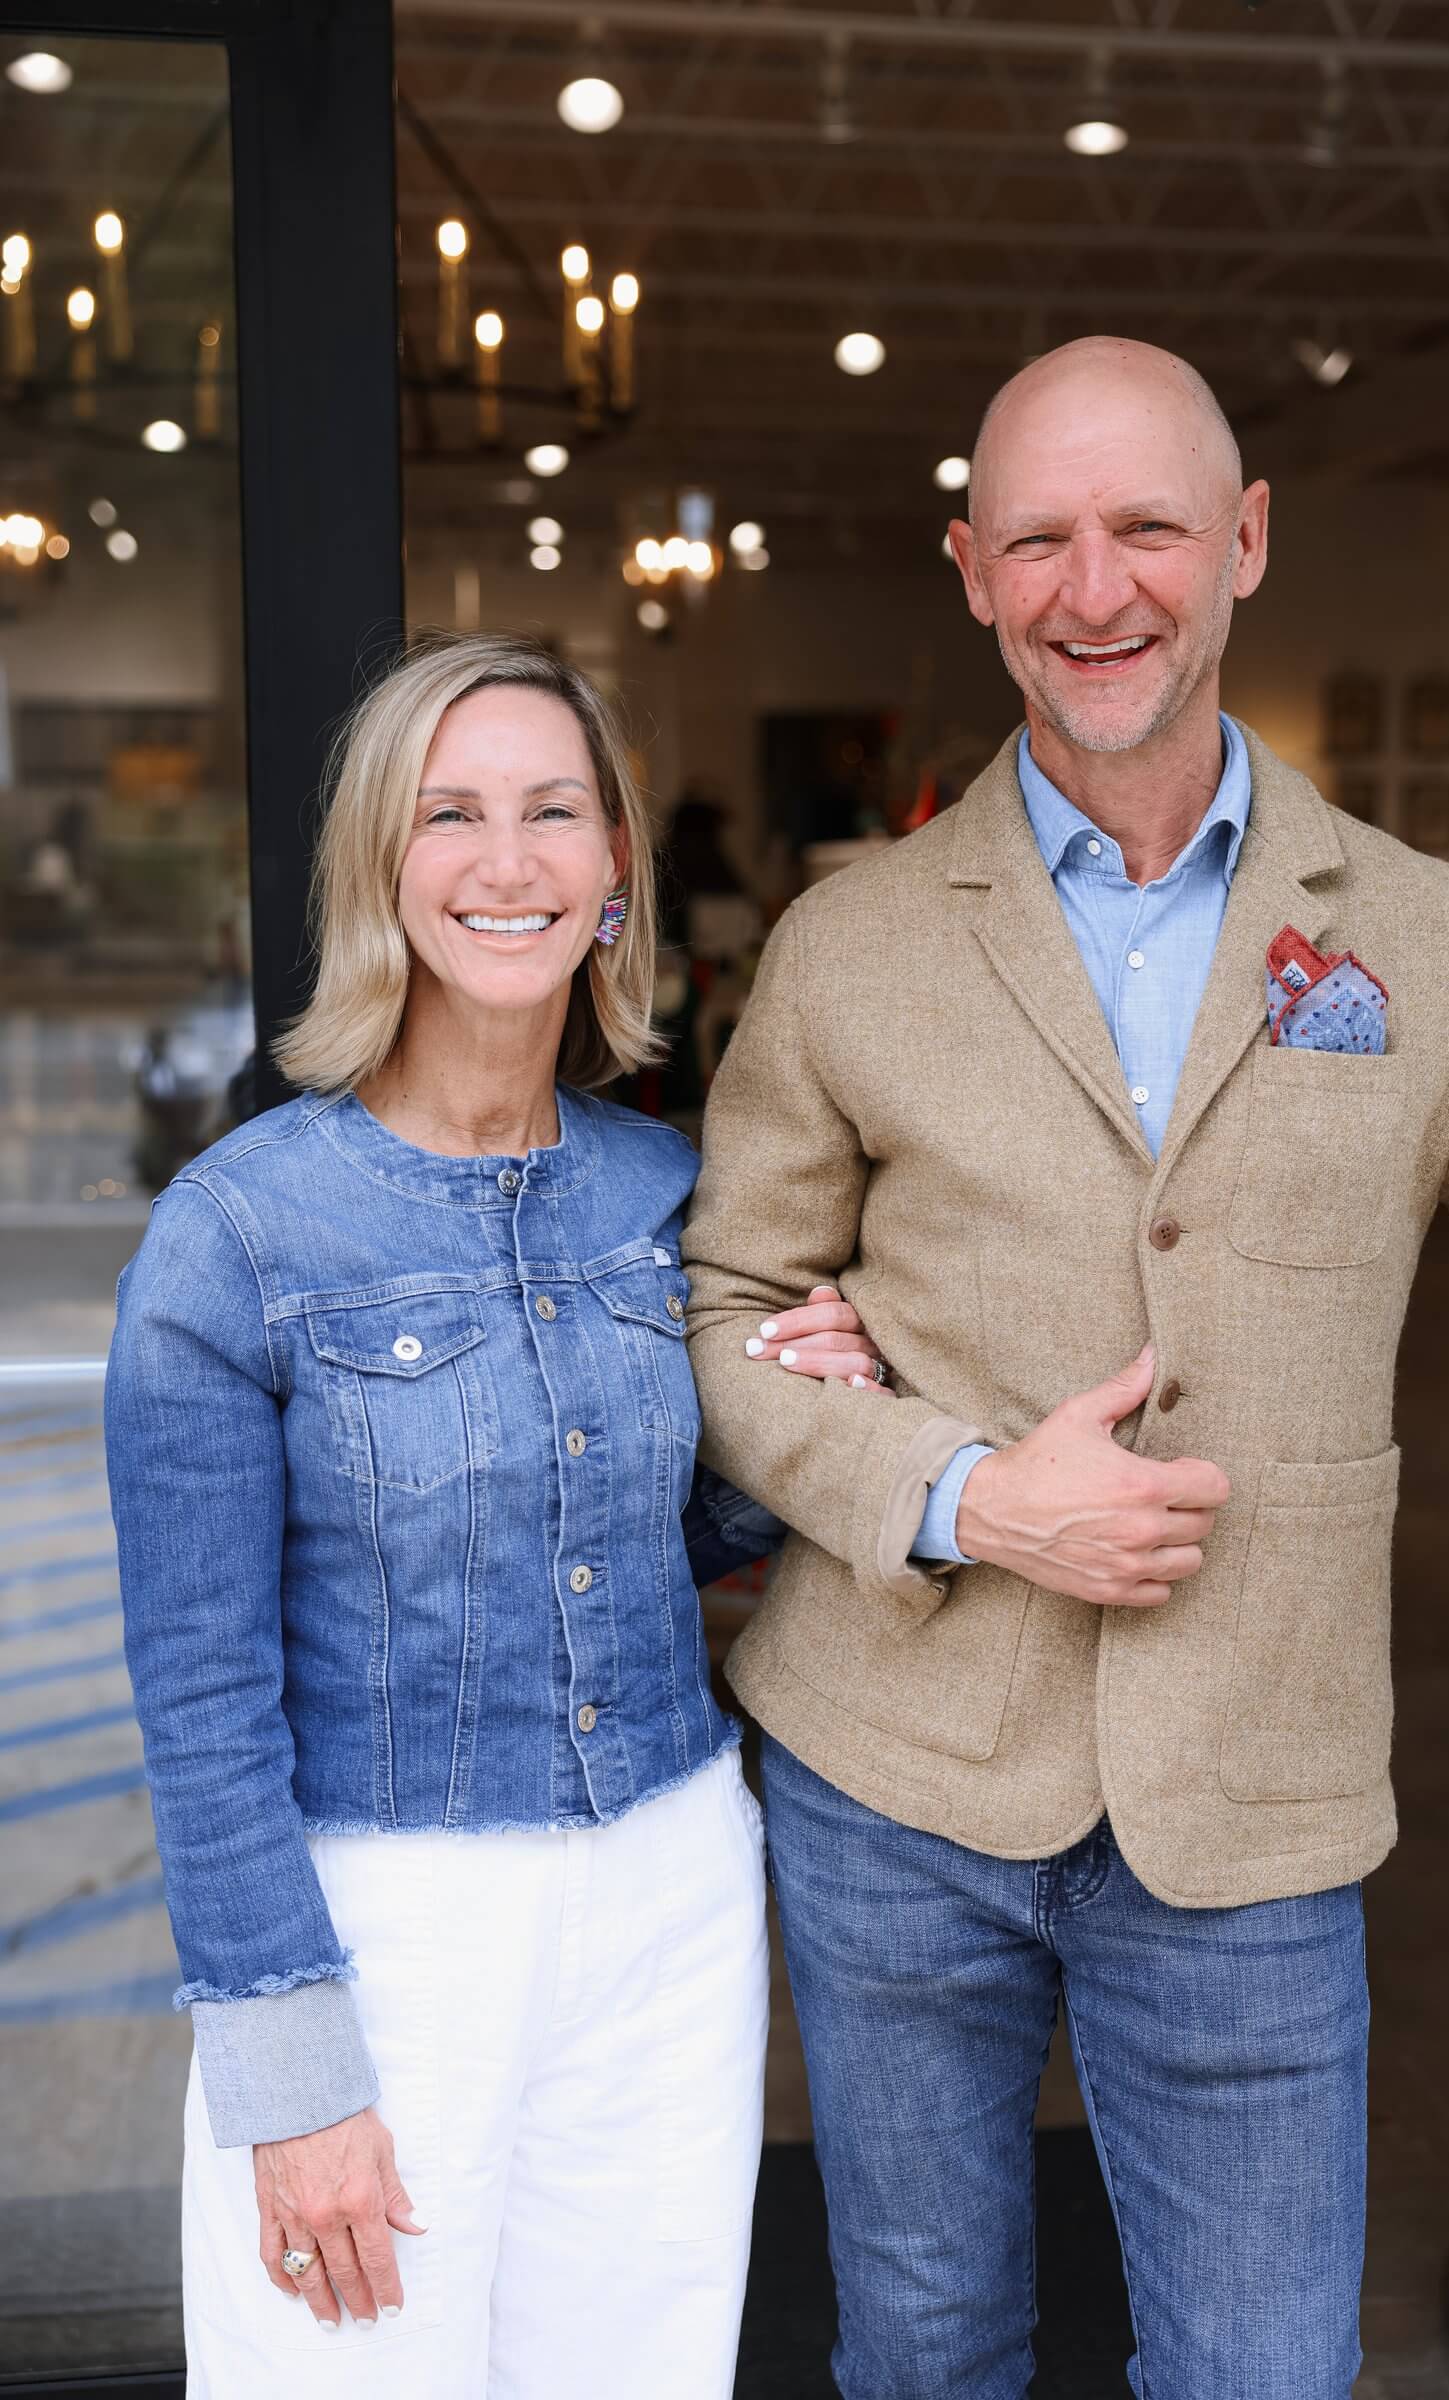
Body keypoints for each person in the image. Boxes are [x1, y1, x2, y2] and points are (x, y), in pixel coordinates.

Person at [683, 336, 1449, 2398]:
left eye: (1145, 528)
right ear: (970, 570)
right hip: (892, 1779)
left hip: (1254, 1798)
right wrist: (955, 1491)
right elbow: (723, 1301)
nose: (1092, 587)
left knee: (1265, 2370)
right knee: (922, 2348)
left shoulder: (1429, 944)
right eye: (1037, 539)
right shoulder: (850, 942)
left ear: (1246, 543)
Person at [104, 632, 887, 2398]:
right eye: (451, 814)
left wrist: (793, 1417)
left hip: (672, 1901)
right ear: (383, 869)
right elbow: (202, 1702)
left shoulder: (671, 1193)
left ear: (617, 871)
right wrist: (289, 2075)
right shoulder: (237, 1242)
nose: (508, 860)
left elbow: (646, 1540)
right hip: (384, 1931)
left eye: (553, 810)